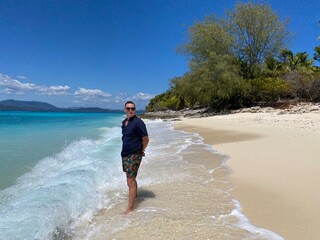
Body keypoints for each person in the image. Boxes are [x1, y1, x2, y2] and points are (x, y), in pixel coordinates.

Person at [121, 101, 149, 214]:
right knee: (130, 178)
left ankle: (130, 209)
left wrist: (141, 150)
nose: (130, 110)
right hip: (125, 154)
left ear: (135, 110)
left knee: (130, 180)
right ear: (125, 110)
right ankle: (135, 196)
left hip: (134, 153)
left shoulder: (138, 122)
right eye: (128, 108)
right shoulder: (124, 122)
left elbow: (146, 139)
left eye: (132, 108)